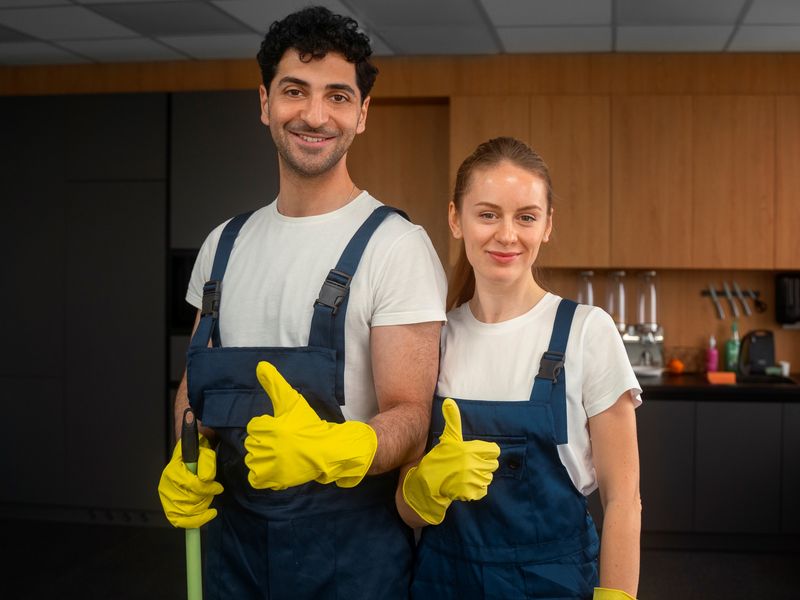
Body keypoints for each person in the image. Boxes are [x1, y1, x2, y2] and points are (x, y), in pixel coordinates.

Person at [157, 6, 446, 599]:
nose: (315, 116)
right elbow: (195, 388)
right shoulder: (223, 244)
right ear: (265, 102)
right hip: (229, 550)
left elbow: (412, 420)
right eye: (295, 91)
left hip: (349, 562)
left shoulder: (397, 248)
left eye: (338, 96)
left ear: (362, 114)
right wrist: (185, 457)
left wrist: (343, 447)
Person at [396, 137, 642, 600]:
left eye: (526, 216)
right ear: (455, 219)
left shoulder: (586, 332)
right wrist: (423, 490)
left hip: (554, 584)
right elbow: (405, 511)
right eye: (487, 214)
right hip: (443, 582)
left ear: (547, 225)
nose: (507, 235)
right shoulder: (434, 339)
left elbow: (623, 500)